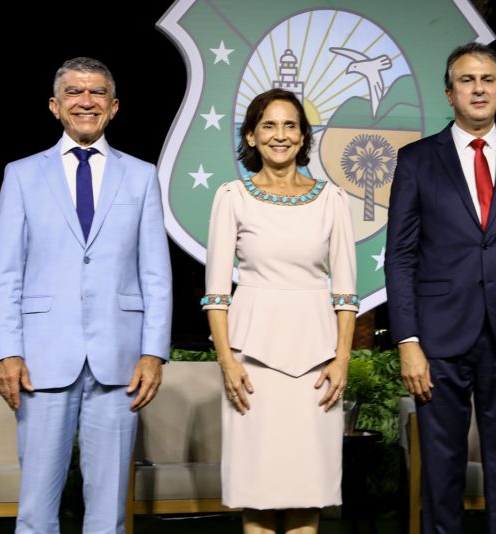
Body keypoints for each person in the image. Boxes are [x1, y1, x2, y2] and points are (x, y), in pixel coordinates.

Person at [385, 42, 496, 534]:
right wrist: (408, 341)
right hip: (437, 339)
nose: (478, 88)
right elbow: (400, 257)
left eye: (487, 80)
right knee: (440, 478)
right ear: (449, 93)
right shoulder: (417, 160)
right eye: (467, 80)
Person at [0, 57, 173, 533]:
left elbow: (155, 272)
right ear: (55, 106)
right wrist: (7, 352)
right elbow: (5, 272)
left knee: (109, 514)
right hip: (41, 360)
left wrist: (154, 351)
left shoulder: (141, 175)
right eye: (74, 92)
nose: (85, 101)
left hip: (120, 360)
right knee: (35, 510)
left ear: (113, 107)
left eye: (96, 93)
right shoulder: (22, 174)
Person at [203, 88, 358, 534]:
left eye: (290, 125)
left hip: (317, 364)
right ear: (251, 136)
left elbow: (346, 293)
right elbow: (216, 294)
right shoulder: (232, 196)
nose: (280, 135)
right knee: (258, 496)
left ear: (304, 135)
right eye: (268, 125)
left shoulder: (332, 200)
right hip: (251, 363)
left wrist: (342, 358)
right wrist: (227, 362)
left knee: (307, 494)